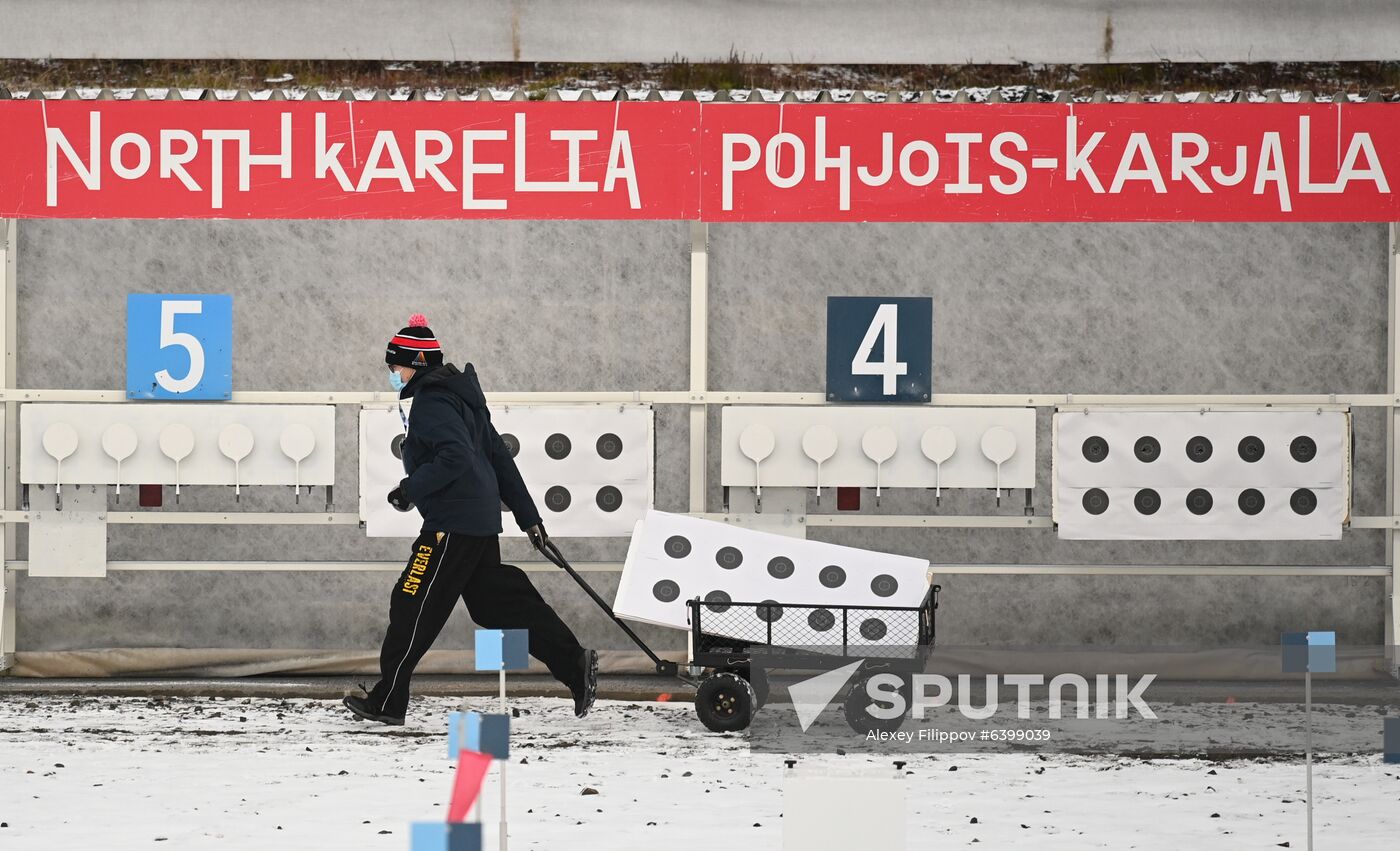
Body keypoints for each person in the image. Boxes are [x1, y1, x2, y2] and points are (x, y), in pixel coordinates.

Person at [344, 314, 597, 725]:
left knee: (411, 604)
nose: (392, 373)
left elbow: (456, 457)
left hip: (451, 525)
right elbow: (498, 458)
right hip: (476, 522)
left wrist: (410, 489)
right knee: (494, 602)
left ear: (415, 364)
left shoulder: (431, 402)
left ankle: (387, 701)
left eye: (395, 365)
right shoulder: (463, 398)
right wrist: (528, 516)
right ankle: (574, 663)